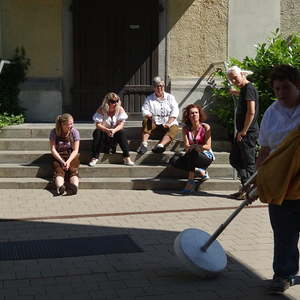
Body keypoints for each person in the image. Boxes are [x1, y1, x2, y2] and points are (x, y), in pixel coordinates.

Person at [255, 64, 300, 294]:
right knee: (284, 235)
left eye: (286, 88)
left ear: (298, 85)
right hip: (280, 186)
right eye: (277, 89)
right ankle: (283, 275)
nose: (281, 94)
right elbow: (264, 150)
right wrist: (259, 176)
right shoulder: (272, 112)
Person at [227, 66, 259, 200]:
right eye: (231, 80)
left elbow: (251, 112)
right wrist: (235, 92)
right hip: (242, 132)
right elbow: (246, 97)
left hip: (247, 133)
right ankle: (245, 188)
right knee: (235, 159)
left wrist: (244, 131)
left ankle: (250, 192)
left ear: (241, 74)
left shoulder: (249, 88)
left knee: (249, 163)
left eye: (235, 77)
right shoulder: (245, 89)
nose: (234, 81)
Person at [170, 104, 214, 194]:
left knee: (193, 151)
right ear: (188, 116)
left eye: (196, 112)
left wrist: (197, 146)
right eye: (192, 113)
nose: (194, 115)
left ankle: (190, 182)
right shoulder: (186, 129)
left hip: (205, 155)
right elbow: (186, 146)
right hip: (192, 154)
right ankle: (200, 171)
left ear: (199, 114)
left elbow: (208, 146)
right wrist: (192, 147)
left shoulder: (205, 127)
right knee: (173, 160)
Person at [89, 92, 134, 167]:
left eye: (117, 101)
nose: (115, 103)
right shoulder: (101, 109)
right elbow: (98, 125)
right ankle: (94, 158)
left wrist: (114, 130)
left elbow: (121, 124)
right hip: (104, 135)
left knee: (121, 132)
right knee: (97, 132)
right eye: (113, 101)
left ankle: (127, 157)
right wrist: (107, 130)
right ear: (107, 102)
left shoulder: (120, 109)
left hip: (114, 135)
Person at [137, 76, 179, 154]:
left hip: (167, 121)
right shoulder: (149, 98)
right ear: (154, 87)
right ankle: (144, 144)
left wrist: (169, 122)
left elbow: (175, 110)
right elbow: (145, 109)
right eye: (157, 86)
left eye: (161, 86)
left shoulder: (170, 98)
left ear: (164, 86)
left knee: (175, 128)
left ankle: (160, 145)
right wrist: (148, 115)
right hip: (154, 121)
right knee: (146, 121)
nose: (159, 88)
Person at [49, 113, 80, 195]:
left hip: (71, 155)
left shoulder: (74, 132)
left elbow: (76, 150)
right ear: (63, 124)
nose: (71, 125)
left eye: (72, 123)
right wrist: (62, 161)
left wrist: (68, 161)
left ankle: (74, 187)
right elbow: (53, 149)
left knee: (73, 171)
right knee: (59, 171)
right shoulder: (54, 132)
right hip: (59, 156)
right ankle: (60, 187)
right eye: (69, 124)